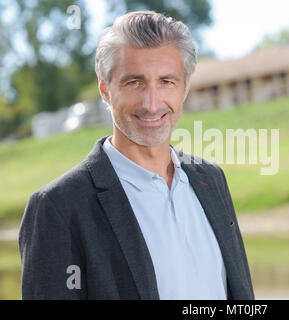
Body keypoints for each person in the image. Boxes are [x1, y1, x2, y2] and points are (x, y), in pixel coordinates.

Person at [18, 10, 254, 300]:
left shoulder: (211, 180)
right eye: (134, 83)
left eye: (166, 81)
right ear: (105, 90)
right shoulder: (58, 207)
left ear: (185, 87)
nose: (151, 104)